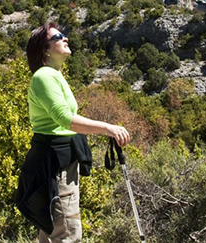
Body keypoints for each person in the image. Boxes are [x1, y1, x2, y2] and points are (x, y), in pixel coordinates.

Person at [16, 22, 131, 243]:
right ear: (45, 49)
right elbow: (64, 119)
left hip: (59, 162)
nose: (65, 37)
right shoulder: (44, 77)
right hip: (55, 165)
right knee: (67, 233)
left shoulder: (55, 76)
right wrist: (108, 128)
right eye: (58, 36)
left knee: (53, 230)